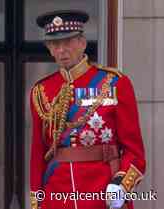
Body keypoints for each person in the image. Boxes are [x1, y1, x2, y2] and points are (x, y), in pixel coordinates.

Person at [29, 10, 146, 209]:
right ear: (49, 49)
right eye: (56, 44)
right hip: (57, 195)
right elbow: (38, 155)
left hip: (102, 191)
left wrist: (121, 185)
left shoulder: (114, 83)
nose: (62, 50)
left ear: (82, 43)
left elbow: (135, 152)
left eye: (68, 42)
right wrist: (37, 200)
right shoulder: (42, 92)